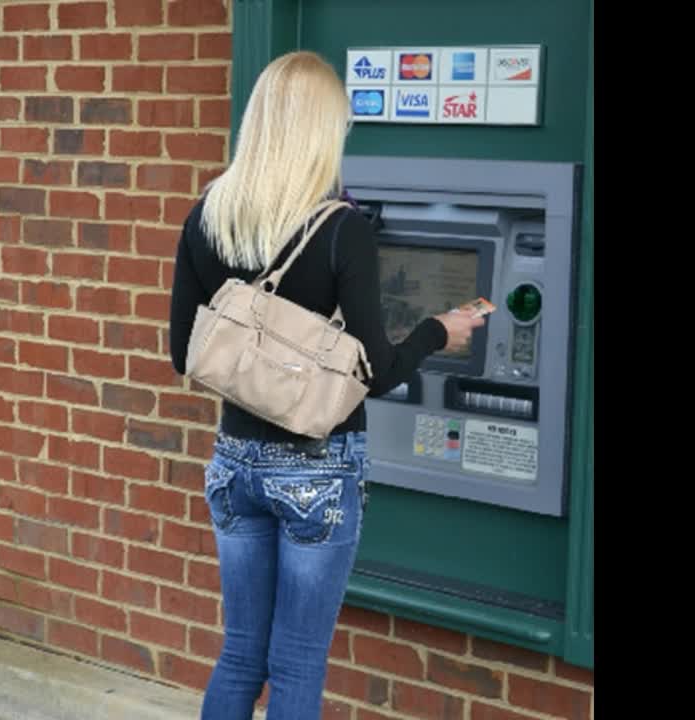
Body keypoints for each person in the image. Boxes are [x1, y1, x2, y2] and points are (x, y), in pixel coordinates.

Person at [168, 51, 483, 720]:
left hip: (232, 467)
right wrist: (438, 331)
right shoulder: (342, 230)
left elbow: (181, 353)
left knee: (240, 654)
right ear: (321, 132)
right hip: (317, 471)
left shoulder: (207, 217)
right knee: (297, 665)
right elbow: (380, 370)